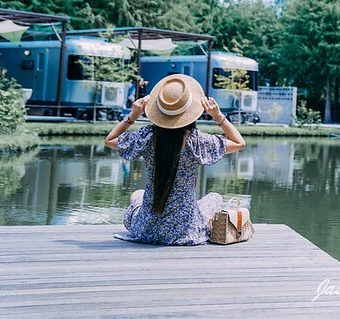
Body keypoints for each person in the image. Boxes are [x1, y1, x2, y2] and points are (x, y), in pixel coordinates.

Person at [104, 74, 246, 245]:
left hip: (146, 229)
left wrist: (132, 116)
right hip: (185, 231)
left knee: (137, 194)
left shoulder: (147, 136)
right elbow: (239, 143)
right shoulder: (197, 141)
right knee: (215, 197)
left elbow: (110, 140)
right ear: (191, 112)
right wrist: (218, 116)